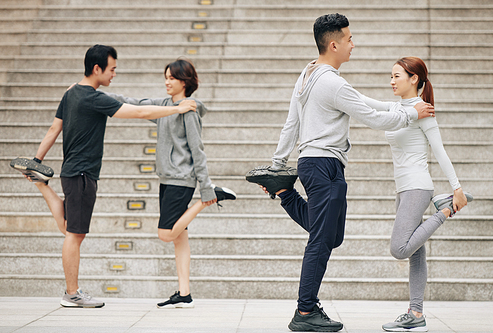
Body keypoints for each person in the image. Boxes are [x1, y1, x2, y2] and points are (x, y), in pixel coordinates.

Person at [245, 14, 436, 332]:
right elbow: (374, 118)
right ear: (333, 44)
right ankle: (305, 312)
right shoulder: (333, 82)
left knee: (332, 236)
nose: (353, 44)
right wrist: (410, 114)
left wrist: (279, 165)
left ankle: (282, 190)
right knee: (321, 239)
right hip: (324, 166)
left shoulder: (308, 73)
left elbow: (305, 118)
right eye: (349, 38)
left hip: (318, 164)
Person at [10, 44, 200, 308]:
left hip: (70, 171)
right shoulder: (94, 98)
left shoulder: (71, 93)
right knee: (74, 233)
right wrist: (177, 109)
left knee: (68, 227)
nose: (113, 74)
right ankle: (72, 294)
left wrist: (37, 160)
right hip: (84, 173)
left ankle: (42, 183)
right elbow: (140, 112)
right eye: (111, 69)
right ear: (97, 68)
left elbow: (55, 128)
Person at [105, 58, 237, 309]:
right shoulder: (165, 106)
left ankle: (211, 199)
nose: (167, 82)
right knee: (180, 239)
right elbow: (135, 103)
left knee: (166, 234)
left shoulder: (189, 110)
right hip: (167, 178)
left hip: (181, 180)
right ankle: (184, 294)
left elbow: (197, 150)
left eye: (172, 78)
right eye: (165, 77)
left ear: (185, 82)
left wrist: (206, 187)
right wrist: (95, 92)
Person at [357, 56, 472, 332]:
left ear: (414, 79)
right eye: (391, 76)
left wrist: (457, 189)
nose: (391, 81)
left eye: (397, 75)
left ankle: (445, 209)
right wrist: (336, 83)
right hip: (404, 189)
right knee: (416, 254)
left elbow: (440, 152)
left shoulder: (423, 110)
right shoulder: (399, 109)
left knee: (399, 248)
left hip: (418, 187)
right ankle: (416, 314)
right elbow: (366, 102)